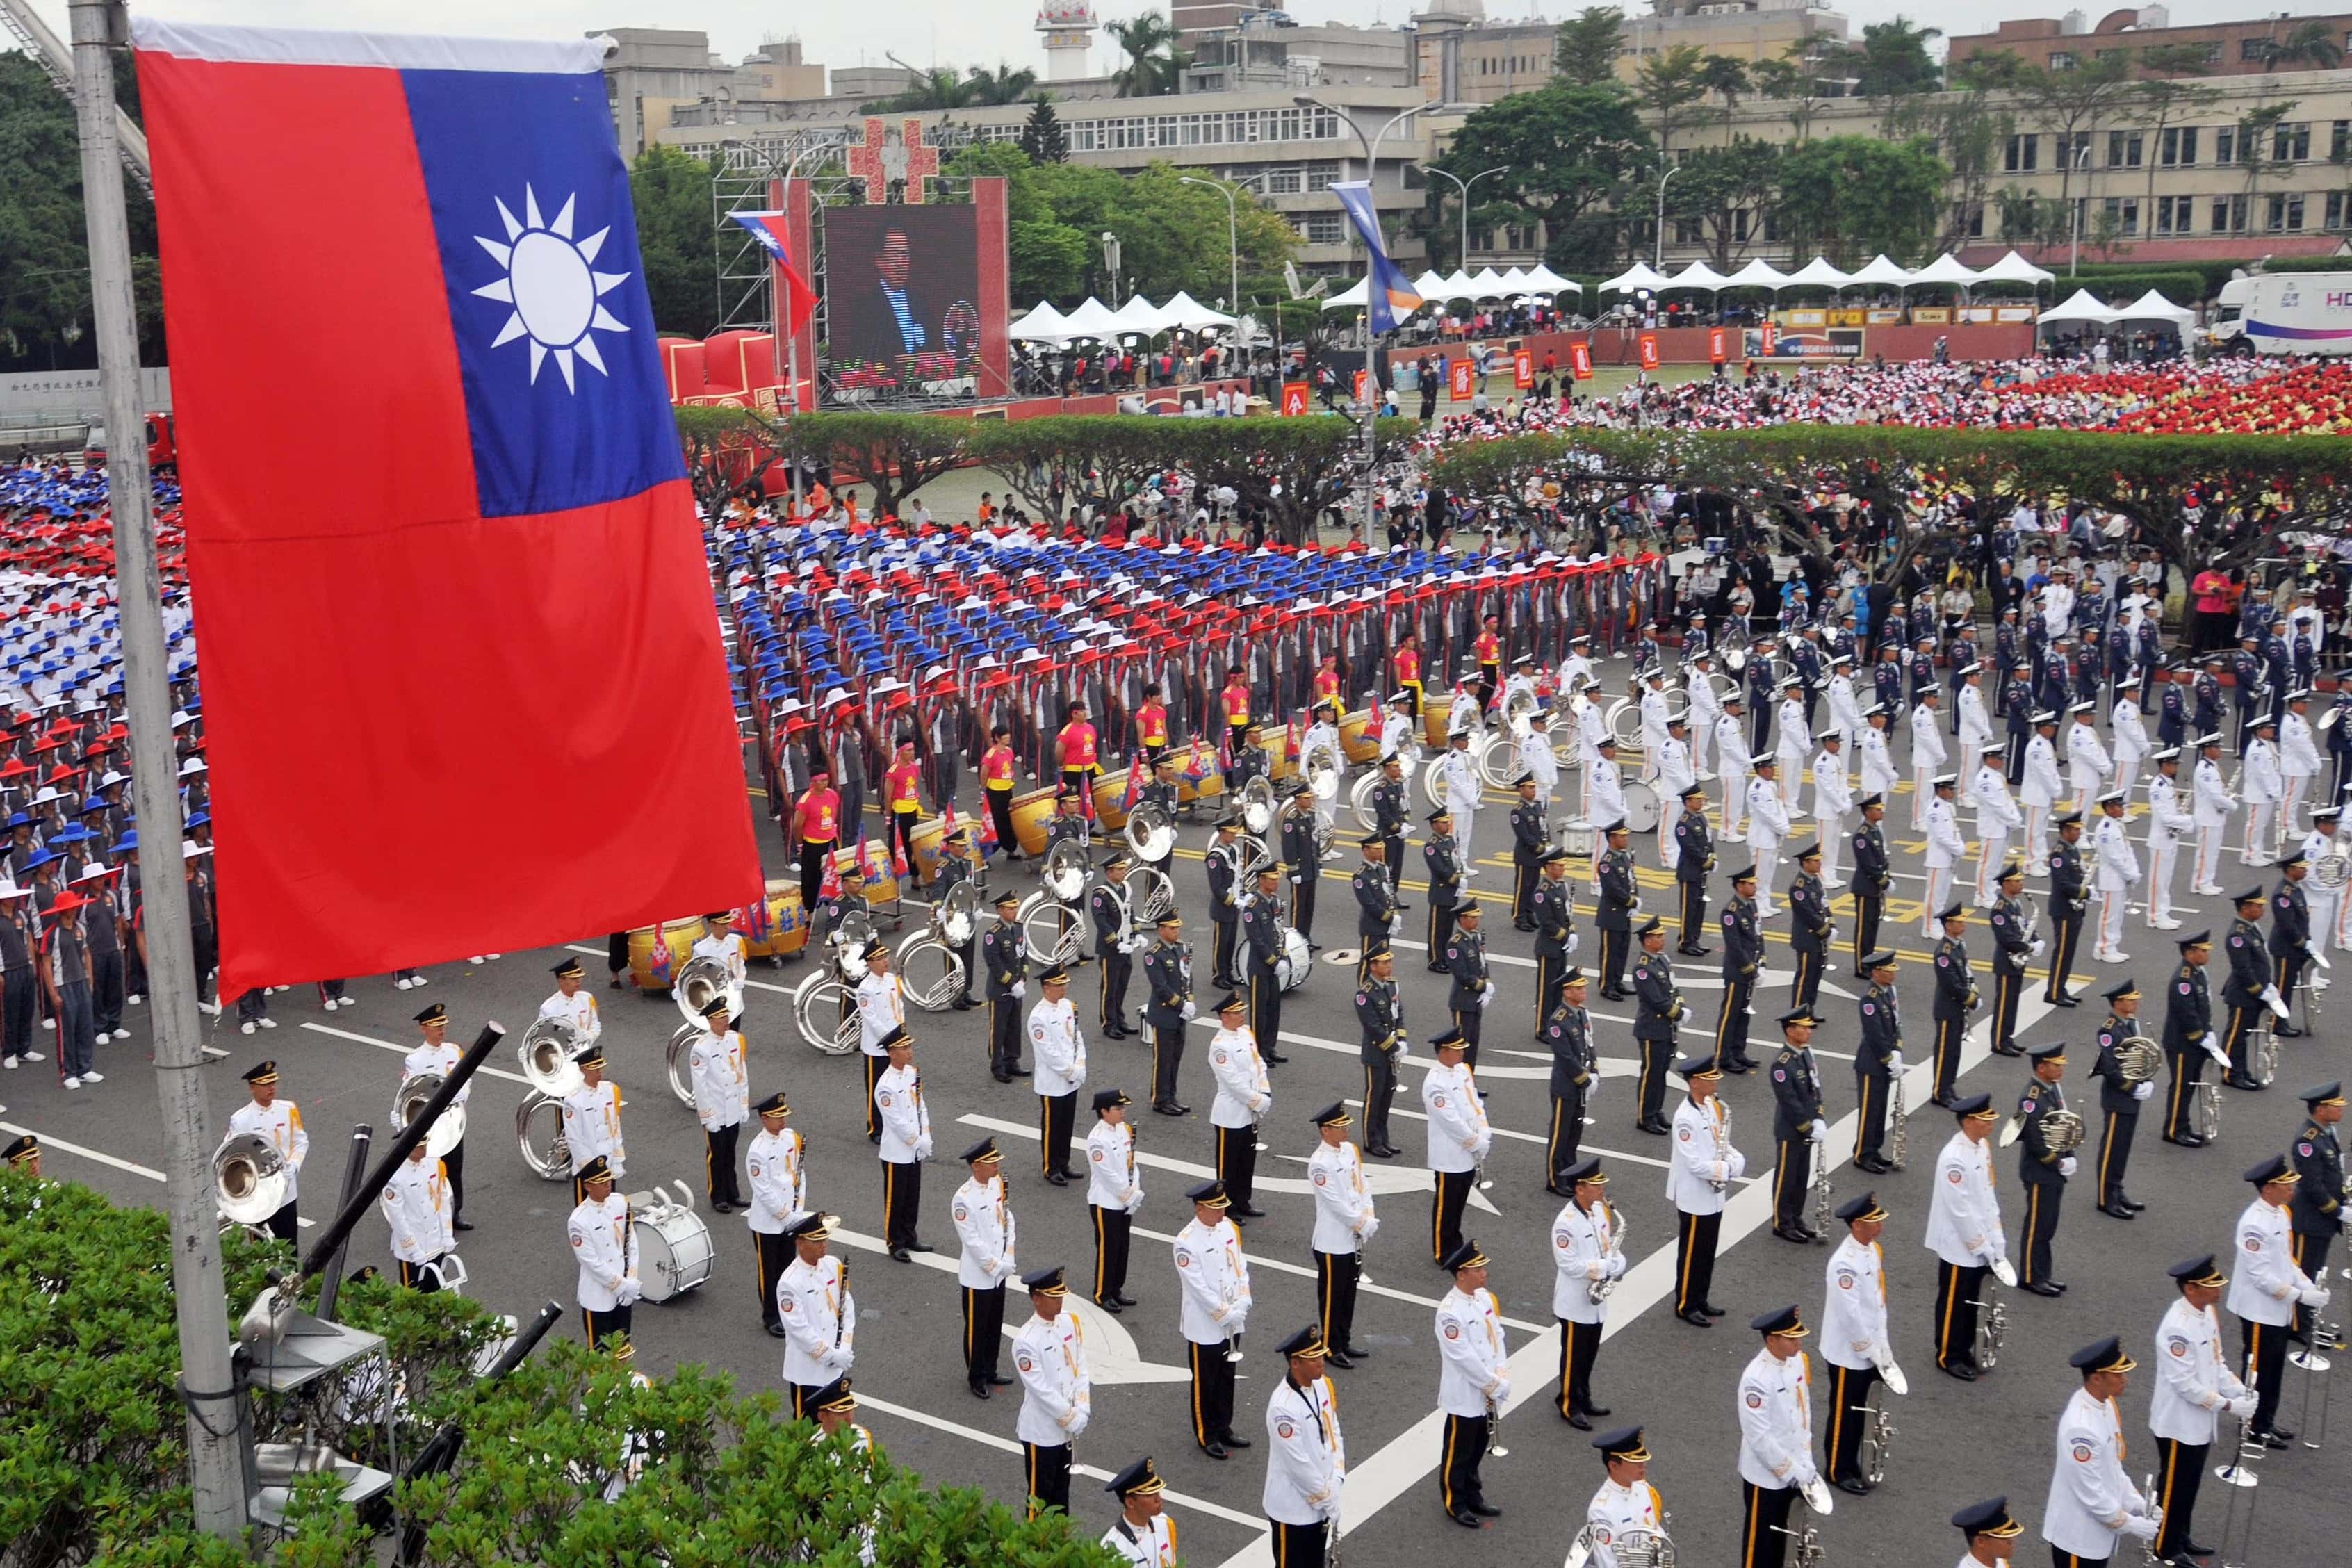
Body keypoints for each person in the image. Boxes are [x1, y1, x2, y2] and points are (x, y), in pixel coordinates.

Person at [2148, 1253, 2255, 1567]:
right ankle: (2165, 1547)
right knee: (2175, 1485)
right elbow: (2184, 1384)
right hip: (2178, 1422)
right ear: (2191, 1289)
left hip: (2198, 1420)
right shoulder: (2177, 1329)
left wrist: (2239, 1388)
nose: (2218, 1290)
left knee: (2189, 1484)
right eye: (2211, 1286)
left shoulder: (2206, 1314)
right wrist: (2230, 1405)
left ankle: (2180, 1535)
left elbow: (2216, 1362)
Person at [2231, 1152, 2329, 1444]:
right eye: (2286, 1185)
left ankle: (2266, 1420)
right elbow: (2261, 1276)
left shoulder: (2281, 1213)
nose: (2292, 1190)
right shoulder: (2254, 1224)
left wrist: (2308, 1286)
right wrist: (2300, 1296)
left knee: (2275, 1368)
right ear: (2267, 1189)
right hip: (2259, 1308)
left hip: (2278, 1306)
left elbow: (2286, 1261)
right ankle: (2253, 1425)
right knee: (2260, 1369)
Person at [2039, 1337, 2159, 1567]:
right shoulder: (2081, 1429)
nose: (2125, 1380)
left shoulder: (2106, 1406)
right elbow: (2091, 1494)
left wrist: (2137, 1504)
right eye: (2117, 1375)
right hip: (2077, 1537)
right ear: (2096, 1378)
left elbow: (2112, 1468)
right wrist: (2132, 1524)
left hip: (2095, 1534)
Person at [1925, 1094, 2006, 1381]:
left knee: (1974, 1299)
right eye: (1986, 1120)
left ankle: (1965, 1347)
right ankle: (1948, 1354)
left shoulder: (1981, 1147)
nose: (1991, 1125)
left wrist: (1997, 1239)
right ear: (1969, 1121)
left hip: (1980, 1235)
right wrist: (1981, 1245)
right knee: (1955, 1301)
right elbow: (1959, 1210)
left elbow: (1987, 1193)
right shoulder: (1954, 1159)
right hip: (1958, 1243)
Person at [1820, 1192, 1895, 1494]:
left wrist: (1882, 1346)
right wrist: (1869, 1349)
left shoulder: (1871, 1251)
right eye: (1872, 1222)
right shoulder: (1844, 1265)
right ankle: (1838, 1469)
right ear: (1856, 1225)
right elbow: (1849, 1313)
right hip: (1848, 1352)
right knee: (1845, 1413)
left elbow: (1875, 1302)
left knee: (1862, 1409)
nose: (1879, 1227)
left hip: (1869, 1347)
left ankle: (1854, 1462)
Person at [1736, 1305, 1820, 1568]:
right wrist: (1792, 1471)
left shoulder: (1795, 1361)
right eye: (1791, 1338)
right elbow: (1759, 1437)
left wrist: (1806, 1460)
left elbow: (1803, 1413)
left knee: (1785, 1541)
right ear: (1772, 1340)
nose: (1799, 1342)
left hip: (1795, 1468)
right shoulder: (1756, 1380)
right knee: (1761, 1548)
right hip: (1767, 1477)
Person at [1175, 1179, 1253, 1459]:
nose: (1221, 1214)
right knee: (1205, 1380)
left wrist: (1243, 1298)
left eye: (1223, 1208)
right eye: (1215, 1209)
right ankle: (1206, 1433)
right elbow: (1198, 1288)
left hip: (1233, 1317)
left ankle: (1224, 1426)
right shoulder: (1186, 1243)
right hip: (1205, 1323)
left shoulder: (1228, 1228)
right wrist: (1224, 1312)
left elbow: (1239, 1265)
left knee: (1226, 1374)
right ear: (1199, 1209)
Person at [1434, 1238, 1508, 1528]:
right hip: (1466, 1393)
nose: (1484, 1273)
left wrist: (1501, 1371)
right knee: (1459, 1450)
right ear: (1461, 1274)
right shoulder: (1449, 1313)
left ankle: (1473, 1493)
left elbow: (1497, 1336)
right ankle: (1455, 1501)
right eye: (1478, 1269)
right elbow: (1462, 1357)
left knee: (1478, 1444)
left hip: (1489, 1388)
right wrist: (1491, 1384)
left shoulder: (1485, 1299)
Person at [1261, 1322, 1346, 1566]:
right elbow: (1297, 1464)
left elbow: (1333, 1432)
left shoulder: (1322, 1385)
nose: (1321, 1361)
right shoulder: (1283, 1408)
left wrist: (1337, 1477)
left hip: (1323, 1498)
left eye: (1320, 1355)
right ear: (1295, 1363)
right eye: (1313, 1358)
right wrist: (1327, 1497)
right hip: (1293, 1509)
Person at [1013, 1264, 1091, 1519]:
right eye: (1053, 1297)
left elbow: (1080, 1368)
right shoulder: (1026, 1341)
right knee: (1040, 1498)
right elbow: (1039, 1389)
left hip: (1067, 1428)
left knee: (1061, 1495)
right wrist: (1070, 1416)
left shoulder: (1069, 1322)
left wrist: (1083, 1409)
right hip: (1042, 1432)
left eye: (1060, 1296)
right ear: (1036, 1299)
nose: (1059, 1302)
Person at [1551, 1156, 1623, 1429]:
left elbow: (1606, 1246)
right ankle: (1568, 1404)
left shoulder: (1598, 1212)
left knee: (1590, 1351)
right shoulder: (1566, 1223)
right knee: (1573, 1356)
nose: (1601, 1189)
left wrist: (1617, 1262)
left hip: (1595, 1300)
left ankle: (1584, 1396)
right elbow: (1568, 1265)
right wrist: (1604, 1267)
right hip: (1574, 1301)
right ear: (1580, 1188)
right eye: (1596, 1185)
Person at [1669, 1055, 1741, 1327]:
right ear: (1695, 1082)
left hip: (1712, 1193)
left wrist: (1735, 1158)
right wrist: (1729, 1169)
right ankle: (1686, 1303)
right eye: (1710, 1079)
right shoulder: (1685, 1119)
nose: (1716, 1083)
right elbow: (1696, 1164)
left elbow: (1721, 1140)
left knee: (1708, 1248)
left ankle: (1701, 1297)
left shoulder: (1712, 1107)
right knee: (1692, 1252)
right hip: (1695, 1194)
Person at [1307, 1101, 1375, 1368]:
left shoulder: (1349, 1150)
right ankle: (1329, 1346)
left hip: (1353, 1237)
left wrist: (1368, 1214)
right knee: (1332, 1297)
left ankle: (1343, 1340)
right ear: (1325, 1131)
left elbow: (1362, 1184)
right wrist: (1360, 1223)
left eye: (1345, 1124)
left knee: (1349, 1293)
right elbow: (1335, 1203)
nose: (1345, 1129)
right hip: (1332, 1240)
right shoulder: (1320, 1164)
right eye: (1339, 1126)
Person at [952, 1137, 1019, 1400]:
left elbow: (1007, 1219)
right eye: (992, 1163)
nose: (997, 1167)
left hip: (999, 1271)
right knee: (977, 1328)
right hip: (978, 1275)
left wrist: (1009, 1256)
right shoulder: (963, 1199)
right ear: (977, 1166)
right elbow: (971, 1241)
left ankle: (990, 1368)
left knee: (994, 1323)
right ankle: (976, 1375)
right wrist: (995, 1266)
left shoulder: (997, 1185)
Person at [2013, 1043, 2077, 1297]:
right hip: (2040, 1171)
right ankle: (2030, 1276)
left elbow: (2063, 1125)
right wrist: (2058, 1162)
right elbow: (2034, 1138)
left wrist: (2069, 1154)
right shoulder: (2031, 1098)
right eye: (2056, 1065)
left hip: (2053, 1169)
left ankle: (2043, 1273)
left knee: (2048, 1225)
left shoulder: (2051, 1090)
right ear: (2041, 1067)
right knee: (2037, 1227)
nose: (2061, 1068)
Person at [777, 1209, 854, 1419]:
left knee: (835, 1425)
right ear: (800, 1243)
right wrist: (830, 1355)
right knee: (808, 1429)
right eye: (817, 1241)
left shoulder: (833, 1265)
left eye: (825, 1239)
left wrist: (844, 1348)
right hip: (808, 1370)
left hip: (836, 1363)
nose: (824, 1245)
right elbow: (799, 1329)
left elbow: (846, 1307)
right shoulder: (789, 1282)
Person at [402, 1002, 471, 1231]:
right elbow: (411, 1092)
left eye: (443, 1025)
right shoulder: (416, 1059)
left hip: (452, 1120)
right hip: (430, 1123)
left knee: (454, 1168)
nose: (441, 1030)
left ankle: (454, 1212)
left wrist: (453, 1099)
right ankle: (429, 1213)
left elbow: (465, 1080)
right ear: (424, 1029)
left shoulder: (453, 1051)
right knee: (430, 1168)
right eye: (435, 1026)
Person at [1423, 1028, 1489, 1265]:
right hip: (1449, 1154)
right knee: (1446, 1204)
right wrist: (1475, 1142)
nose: (1462, 1053)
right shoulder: (1435, 1084)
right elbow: (1450, 1121)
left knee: (1460, 1200)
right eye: (1457, 1049)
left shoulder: (1462, 1071)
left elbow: (1475, 1103)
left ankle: (1455, 1241)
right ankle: (1443, 1249)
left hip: (1469, 1150)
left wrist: (1484, 1131)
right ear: (1444, 1052)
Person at [2089, 982, 2153, 1219]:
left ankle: (2117, 1189)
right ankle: (2106, 1199)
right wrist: (2133, 1087)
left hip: (2131, 1097)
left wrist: (2145, 1079)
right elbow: (2110, 1066)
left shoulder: (2129, 1023)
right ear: (2118, 1003)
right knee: (2112, 1150)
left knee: (2123, 1148)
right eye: (2131, 1000)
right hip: (2118, 1097)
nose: (2136, 1003)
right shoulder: (2109, 1030)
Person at [2289, 1081, 2346, 1350]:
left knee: (2316, 1272)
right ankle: (2299, 1325)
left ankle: (2308, 1318)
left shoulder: (2327, 1132)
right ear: (2321, 1109)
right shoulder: (2307, 1140)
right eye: (2336, 1107)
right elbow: (2312, 1184)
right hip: (2311, 1217)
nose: (2341, 1110)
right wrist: (2336, 1210)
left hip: (2323, 1220)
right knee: (2305, 1272)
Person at [224, 1059, 307, 1242]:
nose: (272, 1088)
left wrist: (293, 1165)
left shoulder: (288, 1109)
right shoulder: (241, 1119)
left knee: (289, 1246)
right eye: (265, 1085)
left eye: (273, 1083)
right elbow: (231, 1156)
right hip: (259, 1195)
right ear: (252, 1088)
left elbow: (301, 1142)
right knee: (261, 1251)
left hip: (286, 1191)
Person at [744, 1089, 806, 1337]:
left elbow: (799, 1175)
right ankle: (771, 1316)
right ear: (764, 1119)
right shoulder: (757, 1150)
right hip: (768, 1222)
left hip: (790, 1217)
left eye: (784, 1116)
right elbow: (763, 1190)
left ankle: (788, 1310)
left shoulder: (791, 1138)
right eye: (777, 1117)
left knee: (788, 1267)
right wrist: (785, 1215)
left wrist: (797, 1210)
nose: (783, 1121)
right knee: (769, 1273)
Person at [1767, 1006, 1829, 1244]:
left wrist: (1819, 1118)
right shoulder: (1782, 1064)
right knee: (1786, 1177)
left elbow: (1815, 1090)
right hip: (1791, 1130)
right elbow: (1789, 1101)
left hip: (1807, 1127)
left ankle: (1796, 1217)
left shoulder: (1804, 1055)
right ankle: (1782, 1223)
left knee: (1802, 1177)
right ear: (1791, 1031)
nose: (1810, 1032)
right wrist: (1807, 1127)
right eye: (1805, 1028)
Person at [1209, 991, 1272, 1218]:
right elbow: (1233, 1083)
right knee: (1229, 1165)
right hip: (1231, 1113)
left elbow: (1259, 1064)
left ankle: (1243, 1201)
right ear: (1224, 1016)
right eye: (1237, 1013)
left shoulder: (1246, 1033)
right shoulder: (1220, 1046)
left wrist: (1265, 1091)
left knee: (1247, 1159)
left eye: (1242, 1011)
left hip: (1250, 1112)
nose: (1242, 1015)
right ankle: (1227, 1206)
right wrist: (1257, 1101)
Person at [873, 1026, 933, 1260]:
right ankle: (895, 1241)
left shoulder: (912, 1074)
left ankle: (910, 1236)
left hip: (914, 1149)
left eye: (909, 1047)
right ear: (891, 1053)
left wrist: (926, 1135)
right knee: (896, 1198)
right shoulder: (885, 1085)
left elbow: (921, 1106)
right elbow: (896, 1121)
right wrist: (917, 1141)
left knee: (912, 1194)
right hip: (896, 1151)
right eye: (904, 1048)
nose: (910, 1052)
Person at [567, 1156, 639, 1350]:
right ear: (588, 1186)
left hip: (624, 1292)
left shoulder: (620, 1203)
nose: (608, 1186)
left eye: (608, 1180)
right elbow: (591, 1262)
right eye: (601, 1183)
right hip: (598, 1297)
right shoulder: (579, 1221)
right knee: (600, 1354)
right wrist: (621, 1286)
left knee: (623, 1350)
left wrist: (631, 1279)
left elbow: (632, 1242)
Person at [689, 995, 749, 1213]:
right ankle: (718, 1196)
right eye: (721, 1018)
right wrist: (707, 1116)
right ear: (711, 1021)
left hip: (732, 1107)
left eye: (726, 1016)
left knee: (731, 1152)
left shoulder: (734, 1039)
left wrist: (743, 1104)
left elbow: (742, 1074)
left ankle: (733, 1193)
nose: (726, 1021)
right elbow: (700, 1086)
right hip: (716, 1109)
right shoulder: (701, 1048)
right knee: (717, 1155)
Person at [1028, 968, 1086, 1186]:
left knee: (1067, 1123)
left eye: (1064, 984)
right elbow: (1048, 1052)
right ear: (1046, 988)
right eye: (1058, 985)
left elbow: (1076, 1037)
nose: (1064, 988)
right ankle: (1050, 1167)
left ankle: (1064, 1162)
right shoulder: (1038, 1017)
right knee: (1053, 1127)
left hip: (1071, 1078)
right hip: (1053, 1081)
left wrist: (1080, 1064)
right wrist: (1070, 1071)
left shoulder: (1069, 1006)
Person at [2160, 931, 2217, 1148]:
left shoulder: (2198, 973)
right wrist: (2200, 1036)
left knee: (2190, 1086)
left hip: (2195, 1041)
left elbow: (2205, 1008)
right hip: (2183, 1043)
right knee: (2182, 1086)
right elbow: (2187, 1013)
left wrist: (2208, 1031)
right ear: (2190, 953)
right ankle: (2174, 1130)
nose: (2207, 954)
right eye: (2203, 951)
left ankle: (2183, 1126)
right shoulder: (2183, 980)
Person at [1581, 1426, 1667, 1568]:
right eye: (1635, 1463)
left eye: (1642, 1460)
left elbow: (1654, 1528)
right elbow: (1607, 1563)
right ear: (1614, 1466)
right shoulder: (1602, 1511)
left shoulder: (1643, 1488)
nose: (1643, 1466)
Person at [1542, 966, 1597, 1191]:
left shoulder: (1581, 1013)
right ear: (1567, 992)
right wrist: (1584, 1079)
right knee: (1560, 1134)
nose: (1583, 990)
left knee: (1574, 1132)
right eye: (1578, 988)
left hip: (1580, 1086)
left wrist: (1594, 1071)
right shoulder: (1559, 1020)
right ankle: (1555, 1179)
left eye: (1583, 987)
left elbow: (1588, 1044)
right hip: (1566, 1086)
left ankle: (1570, 1171)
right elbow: (1565, 1056)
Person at [1851, 951, 1902, 1174]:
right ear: (1876, 972)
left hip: (1884, 1061)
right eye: (1888, 972)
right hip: (1872, 1064)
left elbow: (1895, 1024)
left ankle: (1874, 1149)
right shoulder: (1870, 999)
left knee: (1880, 1110)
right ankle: (1862, 1154)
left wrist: (1898, 1048)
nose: (1893, 975)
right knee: (1870, 1112)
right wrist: (1888, 1058)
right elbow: (1875, 1034)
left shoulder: (1888, 993)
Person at [382, 1138, 455, 1291]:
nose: (424, 1150)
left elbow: (442, 1199)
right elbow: (398, 1219)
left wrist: (447, 1234)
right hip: (414, 1248)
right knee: (413, 1298)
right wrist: (412, 1250)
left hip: (436, 1243)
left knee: (439, 1293)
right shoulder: (395, 1176)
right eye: (419, 1147)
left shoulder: (434, 1162)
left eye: (425, 1145)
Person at [1141, 913, 1194, 1117]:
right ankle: (1160, 1099)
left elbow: (1187, 977)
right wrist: (1182, 1005)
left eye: (1177, 928)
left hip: (1179, 1014)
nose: (1176, 931)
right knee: (1163, 1060)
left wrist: (1191, 1000)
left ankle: (1171, 1096)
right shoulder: (1154, 955)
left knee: (1175, 1058)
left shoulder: (1180, 948)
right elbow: (1161, 987)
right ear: (1161, 929)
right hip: (1164, 1014)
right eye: (1172, 928)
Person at [855, 938, 906, 1142]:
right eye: (880, 958)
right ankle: (875, 1127)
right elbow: (872, 1018)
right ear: (870, 963)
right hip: (876, 1047)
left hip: (895, 1043)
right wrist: (890, 1041)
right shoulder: (865, 988)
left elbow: (899, 1007)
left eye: (885, 956)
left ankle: (894, 1123)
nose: (886, 961)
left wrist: (901, 1033)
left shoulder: (892, 980)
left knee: (897, 1084)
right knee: (876, 1087)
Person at [1929, 903, 1978, 1106]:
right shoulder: (1944, 952)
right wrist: (1970, 998)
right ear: (1948, 925)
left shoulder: (1959, 945)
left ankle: (1948, 1086)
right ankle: (1940, 1091)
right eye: (1959, 922)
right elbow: (1950, 983)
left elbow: (1965, 972)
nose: (1963, 925)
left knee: (1954, 1051)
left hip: (1957, 1007)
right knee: (1945, 1051)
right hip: (1948, 1008)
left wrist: (1973, 987)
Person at [1985, 863, 2036, 1056]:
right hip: (2007, 962)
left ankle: (2007, 1037)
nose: (2021, 884)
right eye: (2017, 881)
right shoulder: (1999, 909)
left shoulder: (2016, 904)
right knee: (2004, 1003)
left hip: (2017, 960)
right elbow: (2006, 938)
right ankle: (1999, 1041)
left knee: (2013, 1002)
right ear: (2006, 884)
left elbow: (2023, 927)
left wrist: (2035, 939)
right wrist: (2028, 947)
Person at [1099, 1456, 1179, 1568]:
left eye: (1158, 1492)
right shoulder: (1113, 1547)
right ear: (1131, 1502)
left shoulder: (1164, 1524)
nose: (1159, 1499)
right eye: (1150, 1495)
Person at [2045, 812, 2089, 1004]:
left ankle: (2060, 988)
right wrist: (2084, 893)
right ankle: (2054, 993)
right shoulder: (2059, 853)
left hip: (2074, 909)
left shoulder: (2072, 850)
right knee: (2062, 952)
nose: (2079, 833)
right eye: (2075, 830)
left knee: (2069, 952)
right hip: (2064, 909)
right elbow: (2063, 883)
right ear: (2065, 831)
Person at [1444, 899, 1493, 1069]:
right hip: (1463, 1001)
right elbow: (1462, 975)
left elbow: (1482, 963)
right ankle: (1458, 1084)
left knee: (1472, 1046)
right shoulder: (1455, 944)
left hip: (1475, 1000)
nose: (1476, 921)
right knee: (1461, 1047)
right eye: (1472, 918)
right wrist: (1482, 986)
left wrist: (1487, 980)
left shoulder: (1475, 938)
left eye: (1476, 917)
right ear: (1462, 919)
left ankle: (1470, 1083)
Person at [1786, 842, 1831, 1011]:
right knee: (1805, 977)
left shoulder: (1815, 881)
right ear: (1805, 863)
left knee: (1815, 976)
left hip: (1818, 938)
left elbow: (1824, 904)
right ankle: (1798, 1012)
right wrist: (1824, 929)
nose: (1819, 863)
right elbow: (1806, 913)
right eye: (1815, 861)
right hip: (1807, 937)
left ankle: (1809, 1008)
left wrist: (1831, 923)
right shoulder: (1798, 887)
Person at [1921, 774, 1967, 938]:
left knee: (1943, 895)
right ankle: (1928, 926)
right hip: (1938, 859)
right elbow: (1940, 836)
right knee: (1934, 895)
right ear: (1940, 790)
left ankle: (1937, 922)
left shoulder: (1948, 806)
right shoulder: (1934, 809)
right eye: (1949, 789)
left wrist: (1959, 844)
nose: (1952, 793)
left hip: (1949, 858)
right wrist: (1958, 848)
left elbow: (1954, 830)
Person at [538, 954, 601, 1045]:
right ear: (561, 980)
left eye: (579, 977)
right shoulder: (549, 1007)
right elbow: (542, 1036)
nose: (578, 981)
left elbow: (595, 1024)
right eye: (573, 978)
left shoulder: (587, 998)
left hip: (586, 1052)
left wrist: (590, 1036)